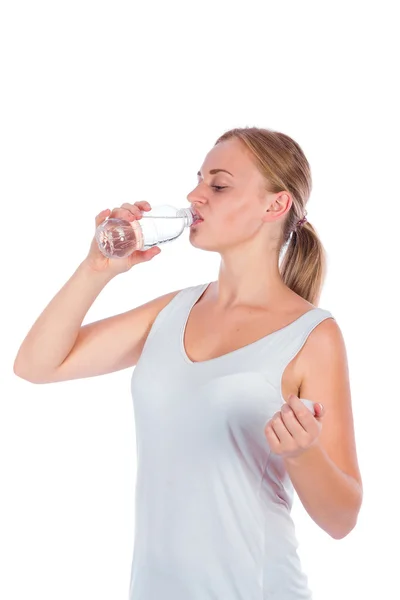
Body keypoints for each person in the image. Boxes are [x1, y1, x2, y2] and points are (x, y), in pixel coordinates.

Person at [14, 127, 363, 599]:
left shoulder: (312, 336)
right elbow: (36, 365)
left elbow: (342, 519)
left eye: (218, 185)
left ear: (274, 206)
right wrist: (97, 269)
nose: (194, 195)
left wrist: (303, 454)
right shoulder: (172, 311)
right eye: (198, 179)